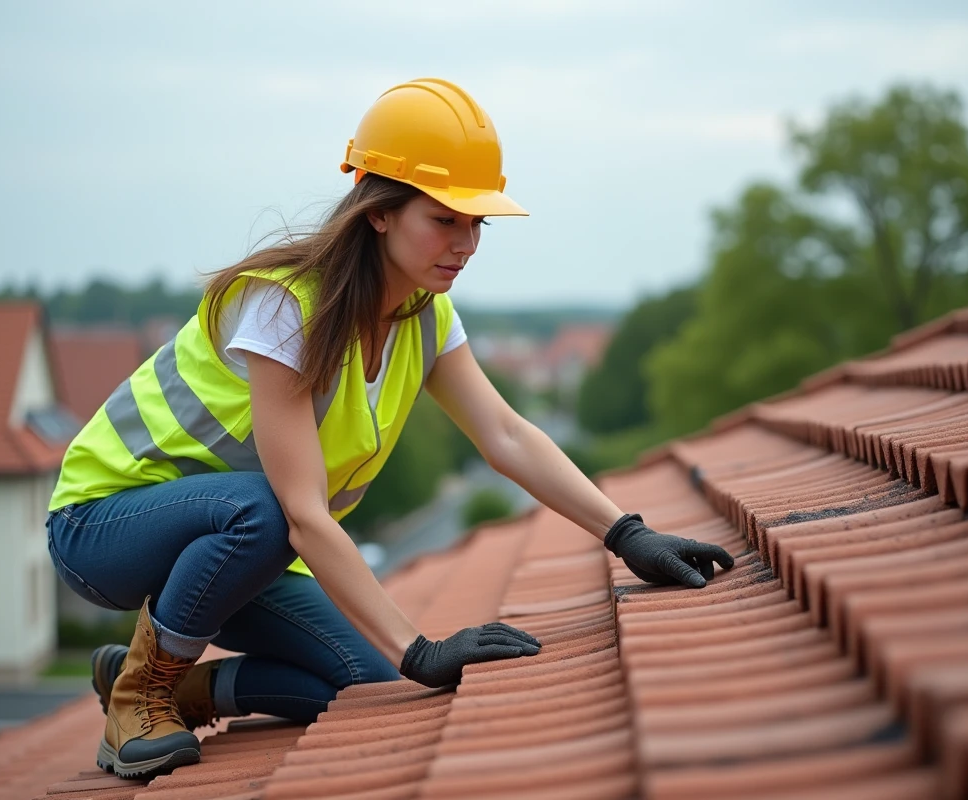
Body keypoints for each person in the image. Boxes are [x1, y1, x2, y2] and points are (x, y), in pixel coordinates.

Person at [45, 77, 735, 780]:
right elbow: (304, 516)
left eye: (477, 224)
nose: (465, 243)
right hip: (102, 529)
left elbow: (505, 433)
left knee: (370, 678)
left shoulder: (425, 317)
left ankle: (188, 688)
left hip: (233, 555)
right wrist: (422, 647)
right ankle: (142, 692)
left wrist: (629, 534)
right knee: (269, 513)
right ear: (379, 213)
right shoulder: (287, 308)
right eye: (444, 219)